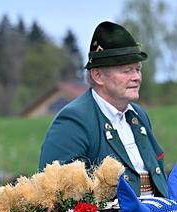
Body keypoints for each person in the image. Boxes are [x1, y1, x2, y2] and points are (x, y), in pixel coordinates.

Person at [38, 21, 167, 197]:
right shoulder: (74, 121)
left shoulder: (139, 116)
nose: (136, 77)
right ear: (98, 75)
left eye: (138, 69)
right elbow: (56, 194)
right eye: (127, 70)